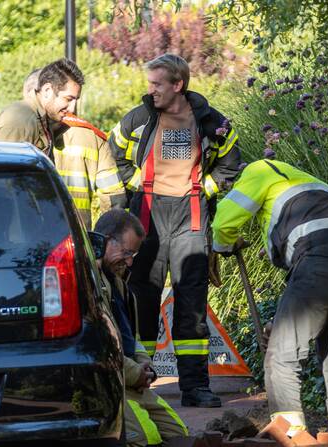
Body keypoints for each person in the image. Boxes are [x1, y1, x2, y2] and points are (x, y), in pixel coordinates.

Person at [211, 159, 328, 447]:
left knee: (281, 356)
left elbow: (224, 220)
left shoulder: (260, 169)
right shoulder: (306, 185)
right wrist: (283, 320)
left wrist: (224, 245)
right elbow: (316, 284)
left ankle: (290, 441)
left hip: (318, 263)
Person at [109, 54, 242, 408]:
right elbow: (115, 151)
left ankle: (195, 387)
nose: (150, 90)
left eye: (157, 84)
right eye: (149, 83)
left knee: (191, 302)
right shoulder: (139, 117)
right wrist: (137, 185)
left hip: (192, 216)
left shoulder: (212, 121)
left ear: (177, 85)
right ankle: (140, 382)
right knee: (143, 298)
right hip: (148, 216)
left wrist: (205, 188)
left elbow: (231, 162)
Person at [94, 209, 187, 447]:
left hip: (134, 381)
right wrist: (135, 372)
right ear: (104, 240)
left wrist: (145, 366)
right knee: (147, 442)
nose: (130, 262)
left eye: (133, 254)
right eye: (126, 253)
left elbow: (130, 337)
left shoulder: (119, 285)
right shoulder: (89, 283)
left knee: (180, 436)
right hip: (112, 384)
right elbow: (99, 345)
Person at [21, 70, 126, 229]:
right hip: (77, 236)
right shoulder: (92, 136)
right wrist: (105, 240)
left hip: (27, 236)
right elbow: (113, 197)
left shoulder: (19, 128)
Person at [0, 59, 83, 158]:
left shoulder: (42, 118)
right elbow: (1, 167)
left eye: (76, 100)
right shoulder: (21, 121)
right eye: (68, 99)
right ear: (47, 90)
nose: (72, 109)